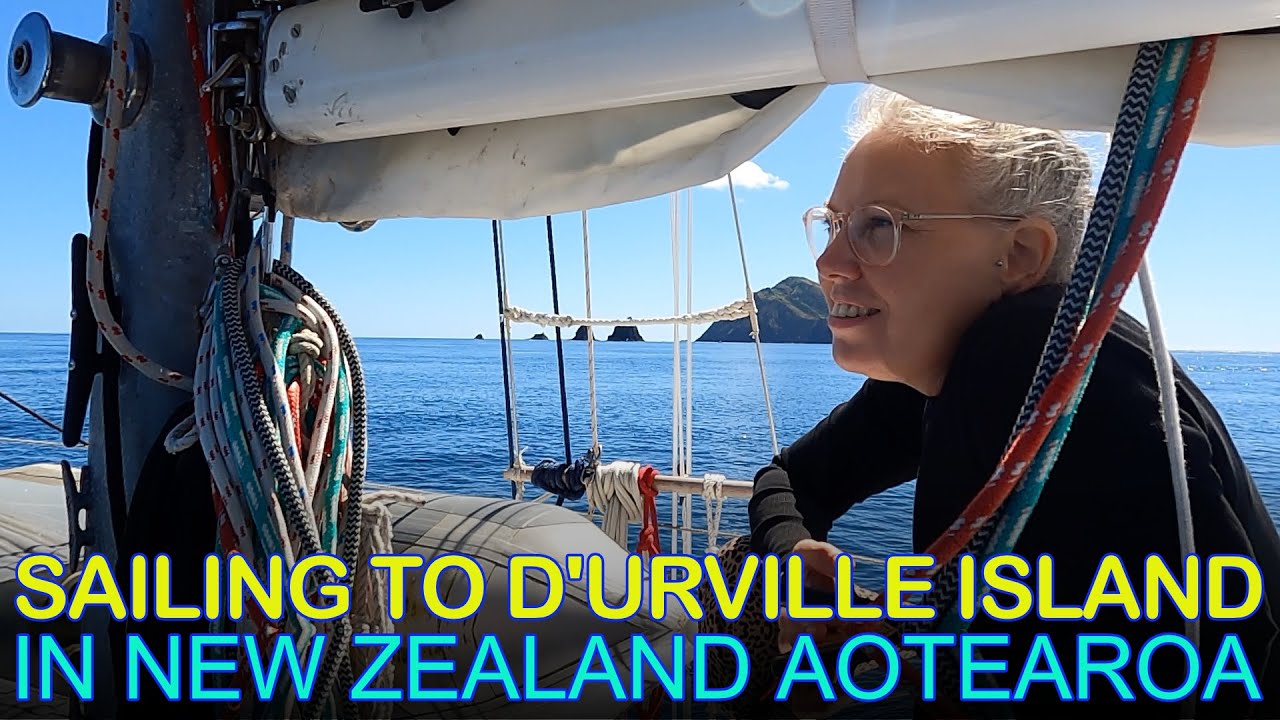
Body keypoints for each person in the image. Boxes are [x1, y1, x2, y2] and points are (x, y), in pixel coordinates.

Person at [695, 88, 1280, 719]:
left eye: (878, 226)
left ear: (1021, 255)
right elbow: (790, 477)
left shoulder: (1026, 359)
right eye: (834, 224)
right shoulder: (955, 364)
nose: (829, 261)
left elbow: (1212, 670)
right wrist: (793, 557)